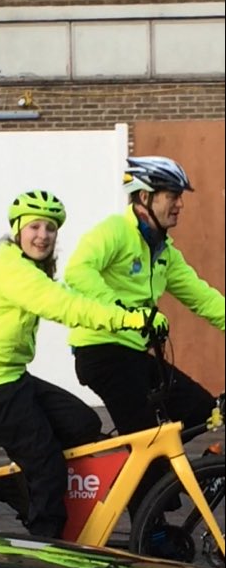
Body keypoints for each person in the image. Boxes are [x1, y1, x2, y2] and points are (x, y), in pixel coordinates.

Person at [0, 188, 159, 540]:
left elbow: (72, 297)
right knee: (46, 464)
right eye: (34, 227)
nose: (43, 236)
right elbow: (63, 306)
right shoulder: (12, 270)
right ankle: (46, 545)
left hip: (10, 376)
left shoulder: (31, 268)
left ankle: (22, 485)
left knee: (82, 423)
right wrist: (129, 320)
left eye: (50, 228)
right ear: (18, 231)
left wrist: (128, 311)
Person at [64, 155, 225, 540]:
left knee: (198, 407)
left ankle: (158, 479)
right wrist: (123, 311)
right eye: (172, 195)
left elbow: (203, 298)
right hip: (102, 353)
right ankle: (149, 529)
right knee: (143, 437)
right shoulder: (115, 232)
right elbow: (77, 271)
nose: (180, 204)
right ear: (143, 197)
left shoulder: (164, 251)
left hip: (136, 355)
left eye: (180, 196)